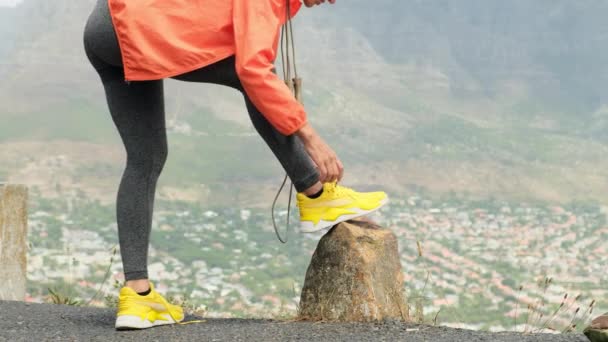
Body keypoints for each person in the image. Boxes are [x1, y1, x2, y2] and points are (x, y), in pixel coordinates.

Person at [83, 0, 388, 330]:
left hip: (105, 30)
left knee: (145, 158)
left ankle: (137, 296)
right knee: (254, 76)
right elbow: (252, 70)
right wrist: (313, 140)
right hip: (130, 25)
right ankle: (316, 195)